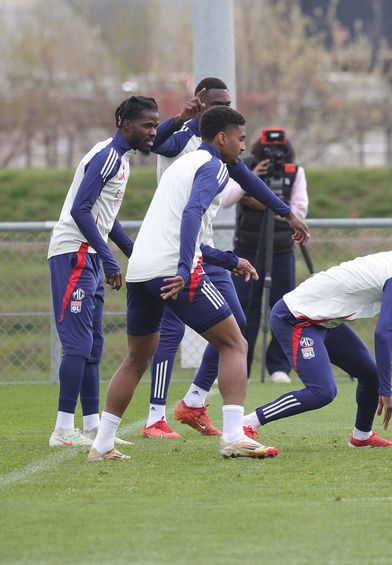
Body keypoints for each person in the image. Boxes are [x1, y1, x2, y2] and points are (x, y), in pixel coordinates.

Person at [88, 106, 309, 461]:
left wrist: (286, 214)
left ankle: (102, 445)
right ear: (222, 138)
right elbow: (192, 213)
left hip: (141, 270)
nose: (244, 145)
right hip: (173, 270)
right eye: (240, 138)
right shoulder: (212, 167)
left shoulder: (188, 164)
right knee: (236, 341)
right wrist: (183, 268)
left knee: (135, 358)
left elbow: (251, 181)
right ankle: (235, 435)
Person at [241, 226, 392, 449]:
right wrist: (386, 391)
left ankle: (362, 437)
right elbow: (384, 333)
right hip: (296, 319)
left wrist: (382, 385)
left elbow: (384, 331)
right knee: (322, 391)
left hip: (325, 322)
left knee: (370, 375)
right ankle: (248, 423)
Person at [46, 96, 159, 448]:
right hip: (74, 253)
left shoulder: (121, 161)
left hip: (90, 254)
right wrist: (109, 258)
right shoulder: (107, 156)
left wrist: (134, 254)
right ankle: (63, 429)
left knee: (93, 345)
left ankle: (93, 425)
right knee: (78, 344)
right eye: (147, 125)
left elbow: (105, 218)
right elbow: (80, 210)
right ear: (126, 125)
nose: (152, 133)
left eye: (155, 125)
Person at [141, 78, 240, 439]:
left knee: (235, 325)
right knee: (170, 329)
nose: (223, 108)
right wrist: (182, 115)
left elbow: (243, 179)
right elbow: (158, 144)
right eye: (216, 103)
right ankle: (154, 417)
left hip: (206, 247)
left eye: (227, 102)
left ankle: (194, 402)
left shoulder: (222, 144)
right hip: (176, 248)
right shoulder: (183, 134)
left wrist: (286, 212)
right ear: (200, 103)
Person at [219, 134, 309, 385]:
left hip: (281, 249)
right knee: (243, 307)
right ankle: (240, 365)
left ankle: (279, 366)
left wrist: (269, 202)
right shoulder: (243, 167)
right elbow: (225, 199)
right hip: (247, 249)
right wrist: (251, 180)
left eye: (278, 150)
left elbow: (300, 210)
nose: (272, 156)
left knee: (283, 308)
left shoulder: (295, 172)